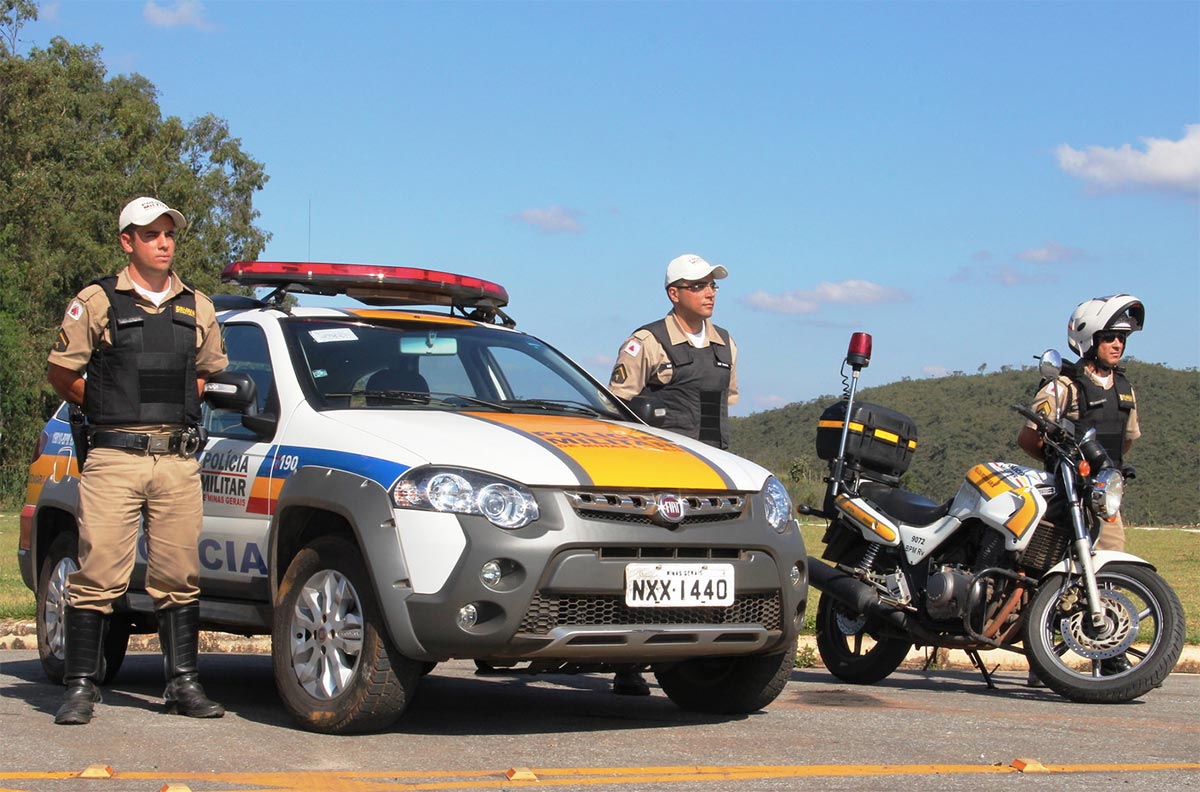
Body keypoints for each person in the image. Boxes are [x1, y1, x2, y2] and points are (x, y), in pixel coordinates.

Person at [47, 197, 228, 725]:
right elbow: (63, 372)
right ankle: (80, 686)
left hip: (175, 460)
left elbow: (204, 375)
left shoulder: (198, 305)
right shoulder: (97, 301)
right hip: (114, 456)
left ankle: (183, 686)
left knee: (178, 574)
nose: (164, 243)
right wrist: (106, 405)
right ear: (128, 241)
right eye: (151, 235)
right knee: (99, 570)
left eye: (169, 234)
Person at [605, 253, 739, 695]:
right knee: (649, 569)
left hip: (713, 473)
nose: (710, 292)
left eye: (713, 284)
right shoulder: (646, 342)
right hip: (658, 475)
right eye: (699, 285)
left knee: (713, 571)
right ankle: (628, 664)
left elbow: (727, 405)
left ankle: (702, 660)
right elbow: (617, 410)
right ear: (674, 293)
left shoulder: (726, 344)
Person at [1017, 293, 1144, 684]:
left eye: (1122, 337)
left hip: (1103, 500)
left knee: (1107, 576)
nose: (1118, 344)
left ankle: (1108, 653)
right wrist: (1065, 465)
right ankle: (1043, 657)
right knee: (1046, 574)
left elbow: (1125, 441)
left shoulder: (1125, 390)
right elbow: (1029, 437)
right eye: (1110, 336)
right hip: (1066, 494)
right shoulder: (1063, 387)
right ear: (1090, 339)